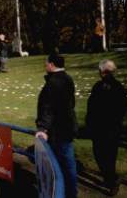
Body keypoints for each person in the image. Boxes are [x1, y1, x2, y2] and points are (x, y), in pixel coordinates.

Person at [35, 52, 78, 198]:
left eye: (46, 63)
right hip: (67, 126)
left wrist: (43, 128)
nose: (45, 65)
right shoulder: (67, 79)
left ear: (52, 65)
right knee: (68, 164)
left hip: (58, 130)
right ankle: (70, 193)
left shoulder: (53, 83)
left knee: (61, 164)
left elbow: (48, 108)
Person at [86, 60, 127, 195]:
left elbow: (92, 107)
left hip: (101, 126)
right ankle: (110, 178)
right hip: (112, 127)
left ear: (103, 72)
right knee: (110, 155)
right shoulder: (119, 87)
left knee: (100, 154)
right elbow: (123, 107)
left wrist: (90, 123)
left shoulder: (99, 87)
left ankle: (111, 180)